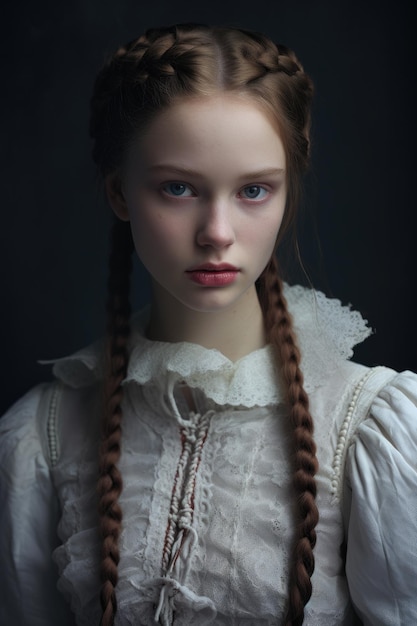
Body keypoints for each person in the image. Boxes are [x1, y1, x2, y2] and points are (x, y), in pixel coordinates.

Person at [0, 22, 416, 626]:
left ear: (286, 193)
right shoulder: (45, 435)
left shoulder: (366, 426)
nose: (217, 232)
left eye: (253, 190)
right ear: (120, 193)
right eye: (177, 188)